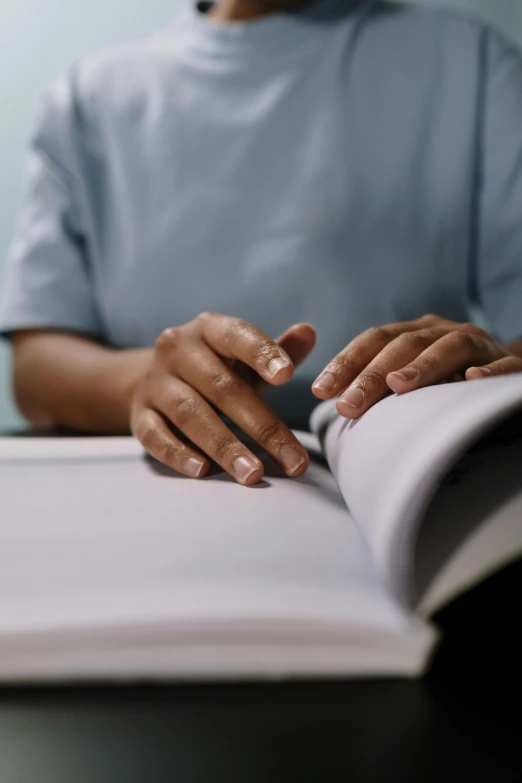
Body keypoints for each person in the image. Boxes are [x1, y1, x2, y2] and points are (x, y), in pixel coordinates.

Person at [1, 0, 522, 486]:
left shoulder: (469, 63)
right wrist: (141, 383)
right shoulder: (89, 98)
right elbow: (36, 368)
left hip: (411, 475)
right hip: (155, 485)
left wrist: (486, 367)